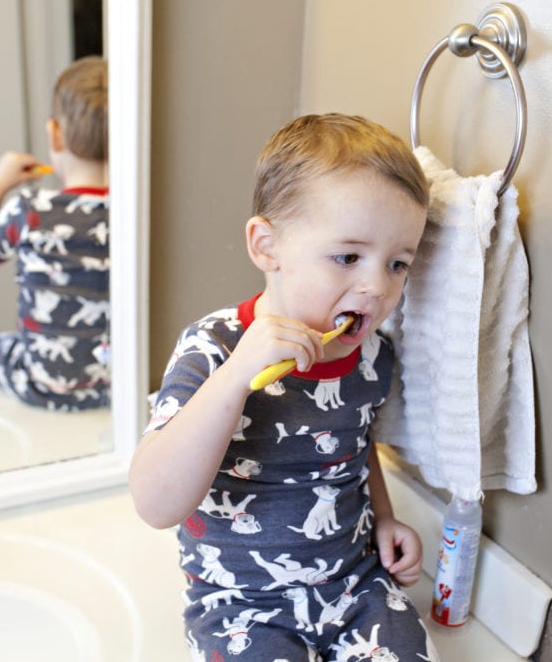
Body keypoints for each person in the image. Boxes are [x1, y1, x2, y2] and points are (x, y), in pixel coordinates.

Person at [129, 114, 440, 659]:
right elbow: (155, 503)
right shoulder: (214, 348)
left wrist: (386, 518)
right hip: (239, 602)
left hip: (354, 583)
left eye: (397, 264)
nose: (376, 287)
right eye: (348, 257)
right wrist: (234, 379)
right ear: (267, 247)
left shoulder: (374, 356)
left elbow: (356, 448)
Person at [0, 56, 109, 411]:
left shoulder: (31, 210)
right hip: (123, 385)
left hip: (46, 387)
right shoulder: (136, 214)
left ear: (54, 134)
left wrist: (0, 182)